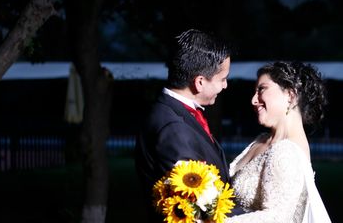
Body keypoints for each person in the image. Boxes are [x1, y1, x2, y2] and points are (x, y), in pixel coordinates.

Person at [135, 29, 234, 222]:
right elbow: (195, 208)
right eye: (223, 79)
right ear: (199, 82)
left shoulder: (170, 111)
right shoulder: (174, 127)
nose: (225, 86)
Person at [226, 61, 332, 223]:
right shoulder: (261, 140)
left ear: (290, 95)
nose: (254, 100)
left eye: (262, 89)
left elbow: (276, 218)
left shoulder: (287, 151)